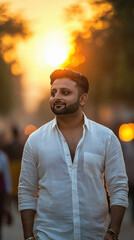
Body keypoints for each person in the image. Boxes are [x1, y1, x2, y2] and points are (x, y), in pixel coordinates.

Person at [18, 69, 128, 240]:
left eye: (65, 92)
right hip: (48, 236)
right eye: (53, 92)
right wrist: (28, 237)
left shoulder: (106, 138)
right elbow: (26, 190)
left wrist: (113, 232)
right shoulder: (35, 140)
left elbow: (118, 186)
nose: (56, 97)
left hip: (94, 236)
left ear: (83, 98)